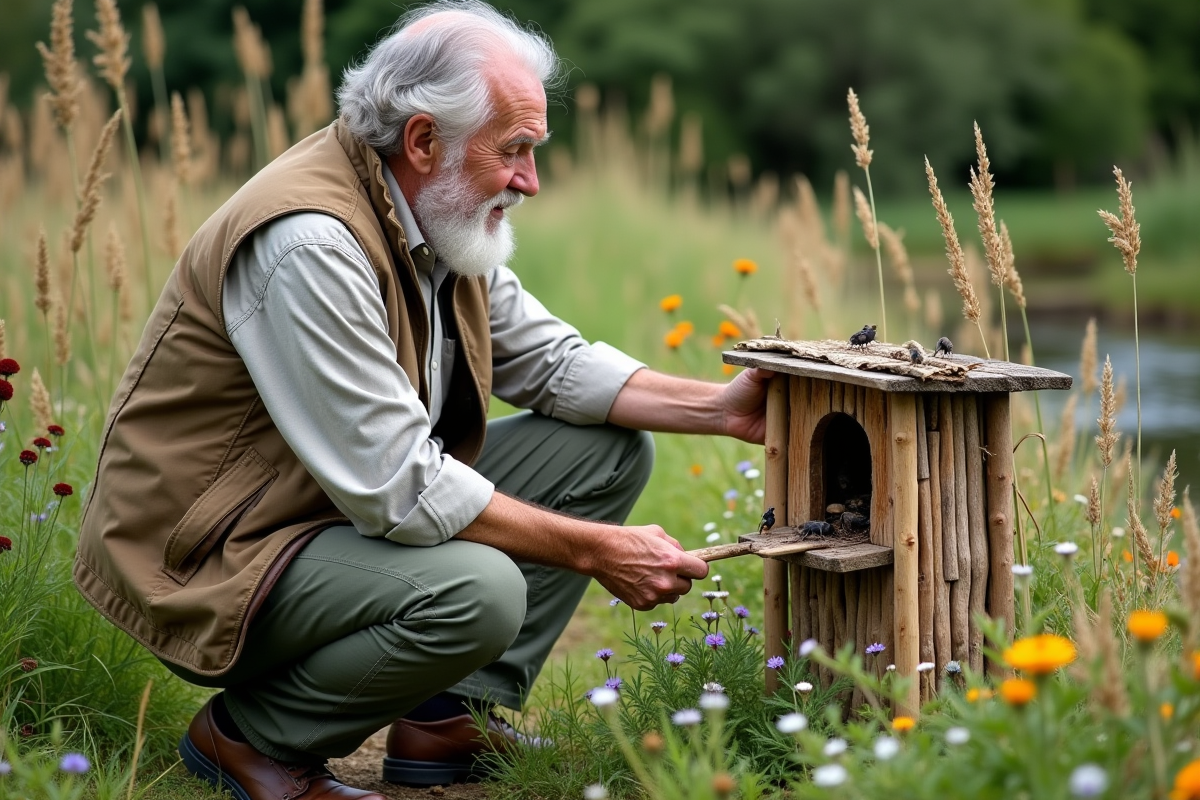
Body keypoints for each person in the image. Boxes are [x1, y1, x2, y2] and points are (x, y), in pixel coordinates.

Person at [73, 2, 771, 798]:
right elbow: (401, 487)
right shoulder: (309, 241)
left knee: (601, 451)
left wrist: (722, 409)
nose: (530, 182)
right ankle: (253, 739)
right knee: (480, 590)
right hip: (214, 551)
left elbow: (549, 362)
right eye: (514, 151)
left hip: (317, 508)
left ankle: (446, 720)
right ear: (422, 140)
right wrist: (594, 549)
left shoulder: (434, 210)